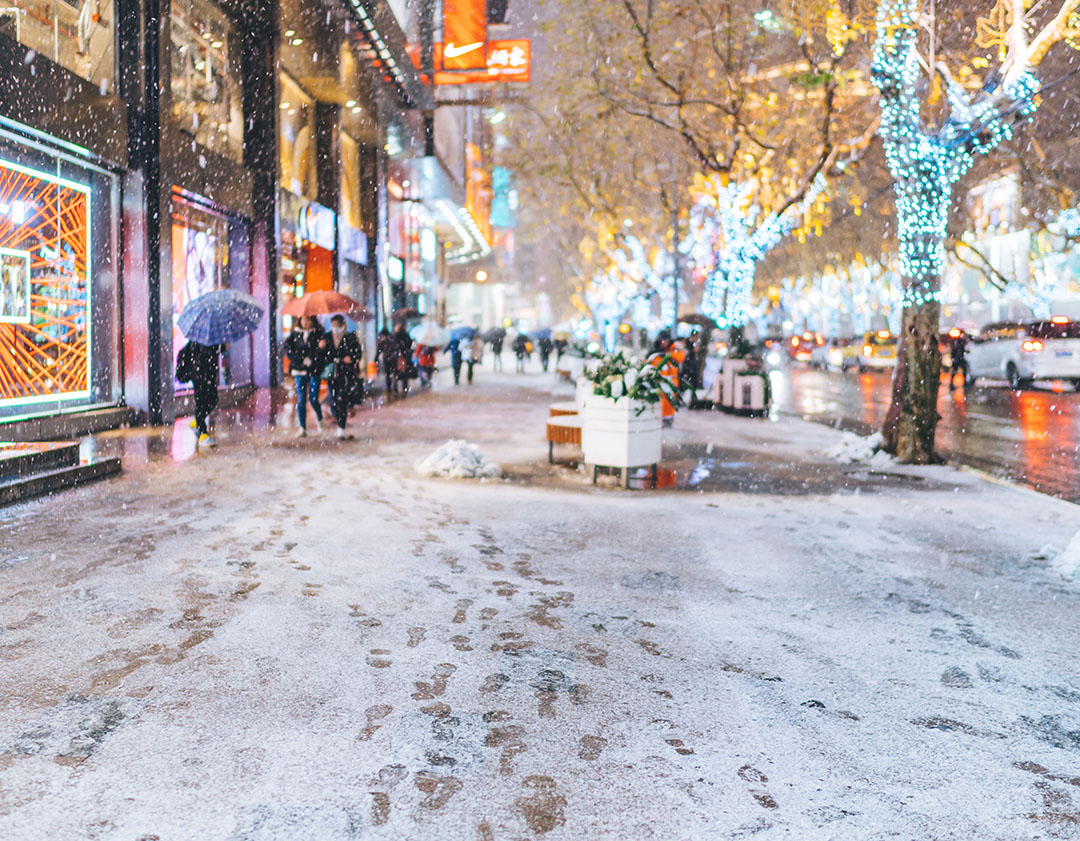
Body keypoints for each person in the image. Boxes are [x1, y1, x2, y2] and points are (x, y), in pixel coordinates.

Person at [283, 315, 325, 437]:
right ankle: (302, 428)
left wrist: (313, 358)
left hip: (314, 371)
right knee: (301, 400)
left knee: (313, 399)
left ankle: (319, 418)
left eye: (308, 319)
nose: (305, 322)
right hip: (299, 371)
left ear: (313, 321)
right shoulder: (294, 335)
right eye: (303, 319)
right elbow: (288, 350)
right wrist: (302, 358)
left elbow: (321, 353)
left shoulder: (318, 334)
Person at [322, 315, 362, 438]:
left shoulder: (350, 338)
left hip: (345, 373)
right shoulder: (327, 338)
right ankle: (338, 418)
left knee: (342, 398)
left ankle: (341, 426)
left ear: (343, 325)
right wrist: (321, 348)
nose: (335, 328)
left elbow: (357, 353)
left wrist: (351, 358)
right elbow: (321, 355)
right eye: (333, 325)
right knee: (333, 398)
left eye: (337, 325)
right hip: (331, 373)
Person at [178, 340, 222, 448]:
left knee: (213, 399)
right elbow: (199, 358)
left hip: (208, 375)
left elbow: (214, 355)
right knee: (201, 402)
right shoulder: (198, 341)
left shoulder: (212, 340)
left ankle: (198, 422)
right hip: (199, 374)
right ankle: (203, 433)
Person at [392, 321, 415, 395]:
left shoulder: (395, 335)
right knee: (405, 373)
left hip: (398, 356)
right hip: (405, 356)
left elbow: (393, 345)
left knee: (396, 373)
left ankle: (395, 389)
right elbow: (410, 344)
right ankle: (404, 389)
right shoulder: (406, 335)